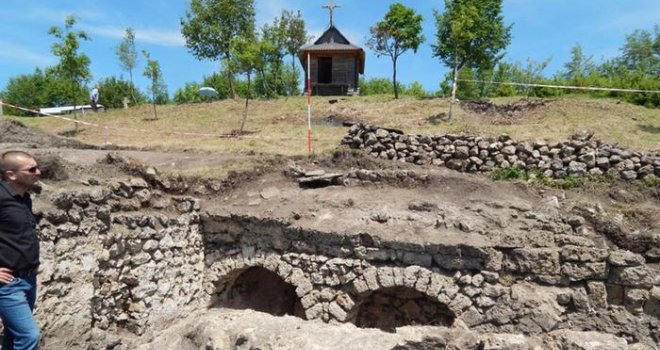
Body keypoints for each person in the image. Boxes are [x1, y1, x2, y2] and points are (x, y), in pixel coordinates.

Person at [0, 150, 42, 350]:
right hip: (8, 285)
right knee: (29, 336)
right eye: (31, 169)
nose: (38, 172)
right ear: (11, 175)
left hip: (28, 279)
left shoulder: (24, 198)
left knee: (12, 337)